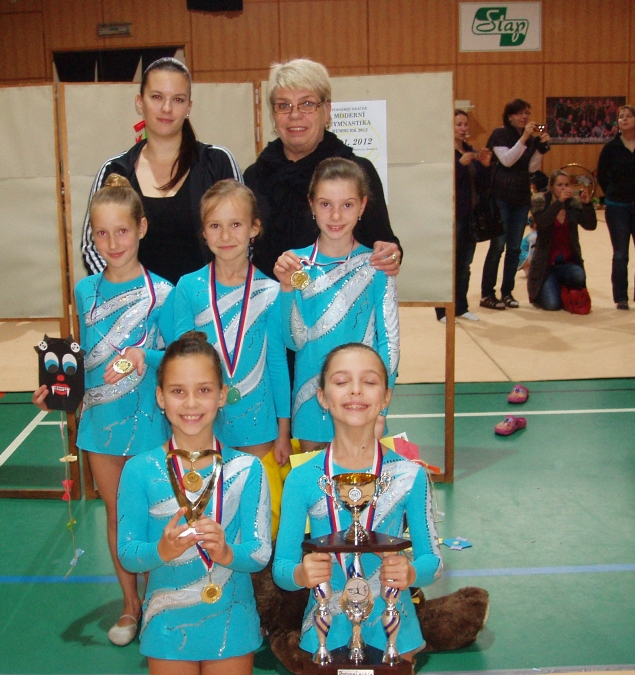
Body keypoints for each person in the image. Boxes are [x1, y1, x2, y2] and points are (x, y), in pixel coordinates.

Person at [34, 175, 174, 645]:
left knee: (156, 515)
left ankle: (160, 598)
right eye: (102, 233)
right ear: (91, 237)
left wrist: (143, 355)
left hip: (149, 419)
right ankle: (130, 605)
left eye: (122, 231)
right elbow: (83, 354)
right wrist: (57, 387)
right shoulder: (84, 290)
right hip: (100, 422)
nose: (113, 243)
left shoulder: (163, 292)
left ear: (142, 228)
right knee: (118, 517)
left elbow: (177, 356)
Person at [273, 343, 442, 664]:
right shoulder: (302, 478)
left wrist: (410, 572)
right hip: (326, 631)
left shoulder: (409, 475)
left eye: (369, 381)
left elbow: (433, 562)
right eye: (341, 381)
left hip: (394, 631)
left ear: (386, 397)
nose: (355, 390)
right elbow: (282, 568)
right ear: (323, 397)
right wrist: (301, 574)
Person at [116, 331, 271, 674]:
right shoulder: (139, 470)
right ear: (160, 397)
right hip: (166, 623)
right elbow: (128, 553)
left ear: (221, 395)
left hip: (232, 620)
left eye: (203, 390)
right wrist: (161, 551)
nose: (190, 403)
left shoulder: (248, 469)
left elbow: (259, 553)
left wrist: (227, 553)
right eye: (177, 391)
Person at [173, 180, 290, 536]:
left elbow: (277, 365)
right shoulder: (189, 288)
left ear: (254, 228)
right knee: (210, 514)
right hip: (203, 421)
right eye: (215, 225)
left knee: (259, 517)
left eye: (236, 224)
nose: (225, 235)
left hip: (259, 424)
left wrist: (283, 431)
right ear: (204, 232)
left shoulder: (270, 292)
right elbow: (179, 364)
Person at [273, 158, 399, 452]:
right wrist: (288, 289)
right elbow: (295, 341)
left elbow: (389, 343)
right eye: (326, 204)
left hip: (362, 402)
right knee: (315, 479)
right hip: (310, 402)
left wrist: (381, 409)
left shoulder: (376, 267)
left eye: (347, 205)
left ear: (363, 206)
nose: (336, 215)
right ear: (312, 205)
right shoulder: (298, 265)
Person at [80, 57, 242, 285]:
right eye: (156, 97)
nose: (167, 108)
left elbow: (243, 235)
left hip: (207, 302)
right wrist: (127, 294)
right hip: (137, 303)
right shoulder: (115, 170)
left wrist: (218, 294)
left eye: (178, 99)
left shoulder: (217, 162)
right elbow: (91, 246)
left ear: (189, 107)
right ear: (140, 102)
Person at [243, 58, 401, 281]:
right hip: (270, 298)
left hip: (339, 298)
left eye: (307, 104)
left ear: (327, 111)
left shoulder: (356, 172)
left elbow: (384, 243)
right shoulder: (254, 176)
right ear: (273, 115)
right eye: (283, 105)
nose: (295, 114)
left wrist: (390, 255)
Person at [480, 98, 551, 310]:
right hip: (500, 196)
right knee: (497, 246)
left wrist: (539, 149)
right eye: (519, 113)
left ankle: (507, 292)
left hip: (521, 197)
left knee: (513, 247)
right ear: (510, 116)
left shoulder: (529, 139)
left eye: (527, 113)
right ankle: (487, 293)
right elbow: (507, 160)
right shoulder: (500, 134)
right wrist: (525, 138)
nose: (524, 117)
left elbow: (531, 168)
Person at [597, 105, 635, 310]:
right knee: (620, 254)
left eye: (629, 116)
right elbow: (602, 175)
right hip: (617, 207)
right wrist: (614, 193)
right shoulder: (610, 148)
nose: (624, 119)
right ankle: (621, 297)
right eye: (621, 116)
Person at [436, 109, 491, 323]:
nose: (463, 128)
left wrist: (485, 166)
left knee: (465, 264)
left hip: (470, 215)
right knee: (449, 264)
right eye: (458, 124)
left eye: (465, 124)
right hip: (452, 216)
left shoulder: (470, 150)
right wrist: (460, 166)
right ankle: (443, 311)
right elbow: (442, 183)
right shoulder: (444, 152)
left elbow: (483, 185)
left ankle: (461, 306)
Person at [528, 170, 597, 311]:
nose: (564, 188)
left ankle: (561, 285)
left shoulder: (573, 203)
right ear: (551, 187)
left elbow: (590, 226)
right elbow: (542, 223)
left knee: (579, 275)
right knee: (552, 305)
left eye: (567, 185)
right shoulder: (540, 201)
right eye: (559, 185)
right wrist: (559, 202)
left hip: (567, 262)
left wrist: (587, 205)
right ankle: (546, 286)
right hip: (546, 265)